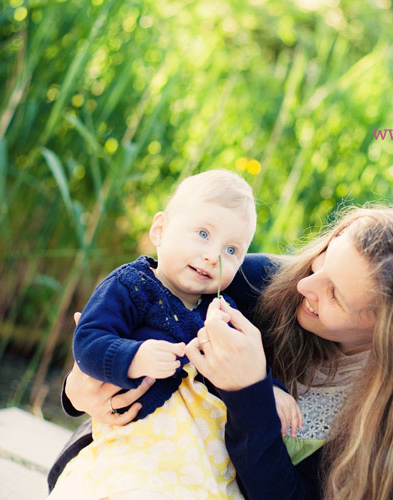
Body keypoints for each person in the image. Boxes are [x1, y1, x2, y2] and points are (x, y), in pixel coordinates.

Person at [52, 206, 393, 500]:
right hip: (126, 473)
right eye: (322, 259)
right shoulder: (251, 281)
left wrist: (249, 392)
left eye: (336, 296)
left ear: (390, 336)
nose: (306, 286)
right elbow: (126, 313)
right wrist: (77, 390)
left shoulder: (388, 419)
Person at [49, 169, 301, 500]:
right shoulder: (131, 285)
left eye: (231, 251)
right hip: (137, 442)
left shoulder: (222, 309)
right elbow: (89, 341)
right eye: (202, 233)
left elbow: (245, 360)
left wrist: (270, 389)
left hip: (202, 461)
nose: (213, 256)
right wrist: (133, 358)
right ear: (160, 229)